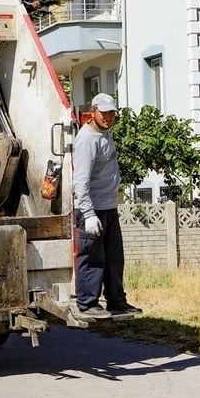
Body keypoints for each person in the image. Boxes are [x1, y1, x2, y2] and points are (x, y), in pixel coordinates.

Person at [72, 93, 142, 320]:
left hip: (109, 207)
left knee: (113, 258)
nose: (109, 117)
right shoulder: (87, 140)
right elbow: (80, 181)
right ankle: (87, 303)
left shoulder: (105, 134)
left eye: (112, 113)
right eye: (104, 113)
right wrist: (88, 214)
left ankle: (116, 301)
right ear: (93, 112)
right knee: (92, 257)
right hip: (93, 210)